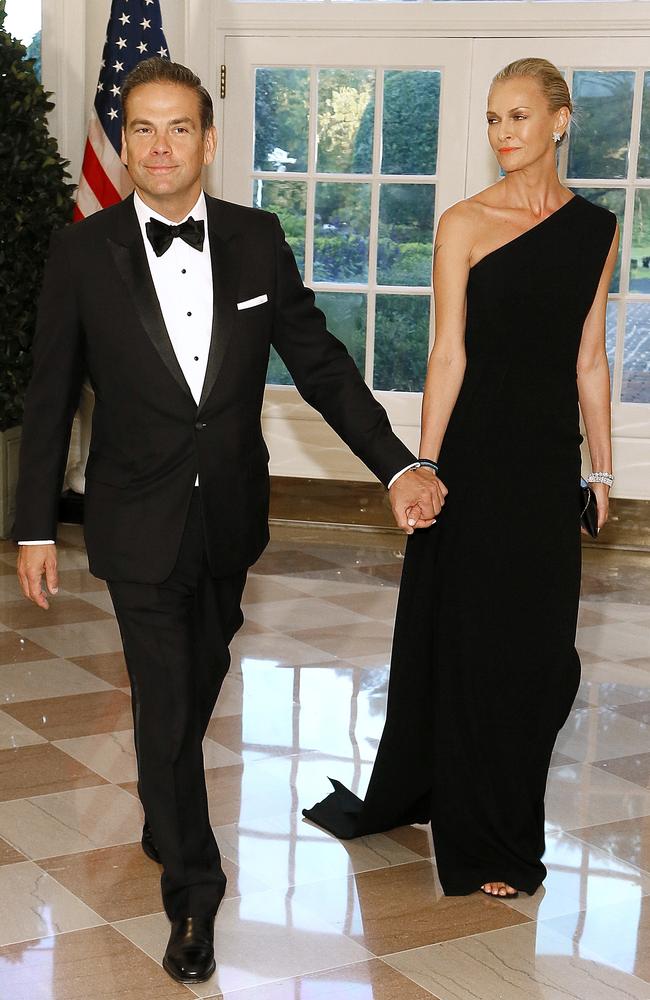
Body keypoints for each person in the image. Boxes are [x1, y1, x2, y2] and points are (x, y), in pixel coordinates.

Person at [13, 58, 447, 985]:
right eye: (141, 129)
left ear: (209, 141)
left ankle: (161, 807)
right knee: (167, 704)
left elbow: (320, 364)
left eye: (178, 128)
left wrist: (399, 463)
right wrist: (34, 526)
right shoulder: (82, 253)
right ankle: (194, 893)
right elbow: (49, 398)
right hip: (134, 522)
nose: (159, 146)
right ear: (122, 142)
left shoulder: (256, 240)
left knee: (198, 678)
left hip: (229, 522)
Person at [304, 57, 618, 900]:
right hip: (474, 462)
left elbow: (590, 360)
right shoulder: (464, 222)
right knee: (480, 649)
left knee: (543, 658)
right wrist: (423, 464)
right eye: (492, 118)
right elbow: (449, 353)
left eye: (519, 116)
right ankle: (489, 840)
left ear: (561, 121)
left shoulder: (596, 228)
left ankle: (485, 798)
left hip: (547, 463)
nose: (503, 134)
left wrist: (603, 468)